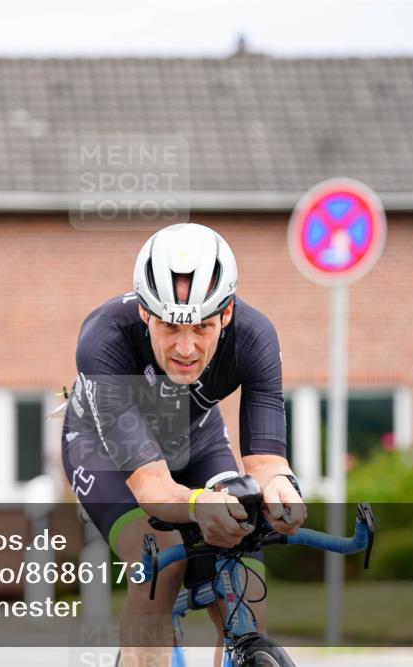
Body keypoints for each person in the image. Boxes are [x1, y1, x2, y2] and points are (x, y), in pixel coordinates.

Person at [61, 223, 305, 667]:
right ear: (145, 315)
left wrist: (283, 491)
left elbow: (267, 460)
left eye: (204, 327)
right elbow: (152, 486)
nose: (187, 347)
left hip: (195, 437)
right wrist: (199, 505)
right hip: (104, 452)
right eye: (171, 326)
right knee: (162, 559)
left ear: (227, 315)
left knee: (244, 569)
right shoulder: (104, 339)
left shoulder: (255, 337)